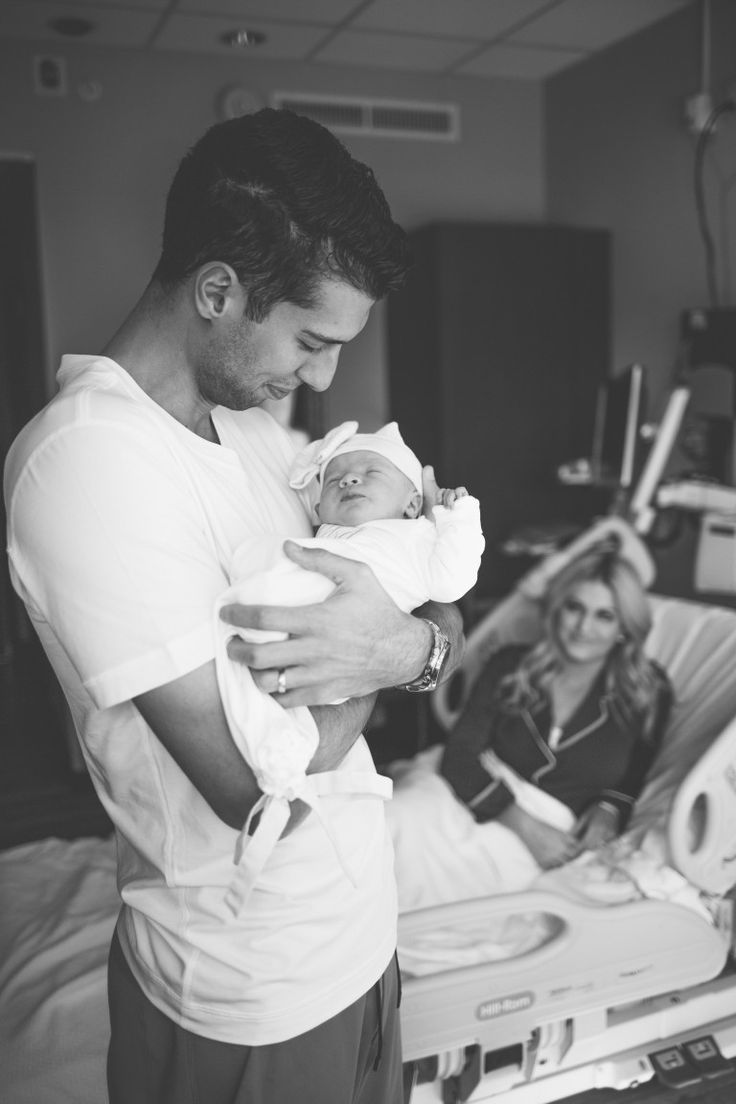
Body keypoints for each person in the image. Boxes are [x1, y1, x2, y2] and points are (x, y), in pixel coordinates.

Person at [3, 108, 465, 1104]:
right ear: (218, 290)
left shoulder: (253, 432)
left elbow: (417, 602)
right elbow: (253, 786)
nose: (326, 376)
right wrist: (401, 651)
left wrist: (402, 648)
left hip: (355, 941)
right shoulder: (83, 464)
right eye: (311, 339)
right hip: (247, 993)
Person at [214, 419, 484, 912]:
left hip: (317, 645)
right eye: (337, 479)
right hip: (271, 615)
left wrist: (456, 514)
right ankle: (272, 767)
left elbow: (451, 587)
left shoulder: (418, 539)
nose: (350, 479)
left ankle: (276, 777)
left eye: (369, 471)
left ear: (410, 502)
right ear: (318, 508)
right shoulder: (324, 529)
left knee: (277, 715)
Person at [386, 541, 672, 912]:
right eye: (575, 608)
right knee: (397, 819)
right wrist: (519, 821)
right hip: (461, 791)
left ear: (624, 627)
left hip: (548, 826)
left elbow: (634, 774)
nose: (584, 628)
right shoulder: (510, 667)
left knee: (458, 898)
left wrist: (609, 809)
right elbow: (460, 756)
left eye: (605, 616)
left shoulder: (646, 693)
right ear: (556, 609)